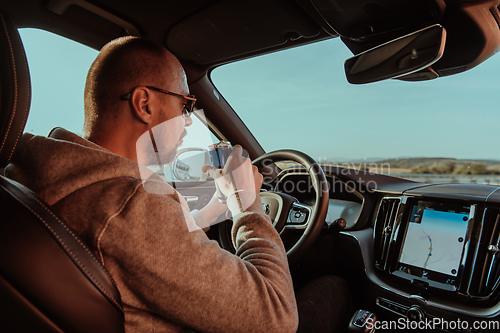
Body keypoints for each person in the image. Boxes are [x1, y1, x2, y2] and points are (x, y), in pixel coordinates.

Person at [6, 36, 350, 332]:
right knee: (336, 286)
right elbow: (277, 318)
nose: (189, 121)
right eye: (185, 105)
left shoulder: (30, 170)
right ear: (145, 104)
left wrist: (203, 212)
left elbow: (157, 249)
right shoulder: (131, 207)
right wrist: (247, 206)